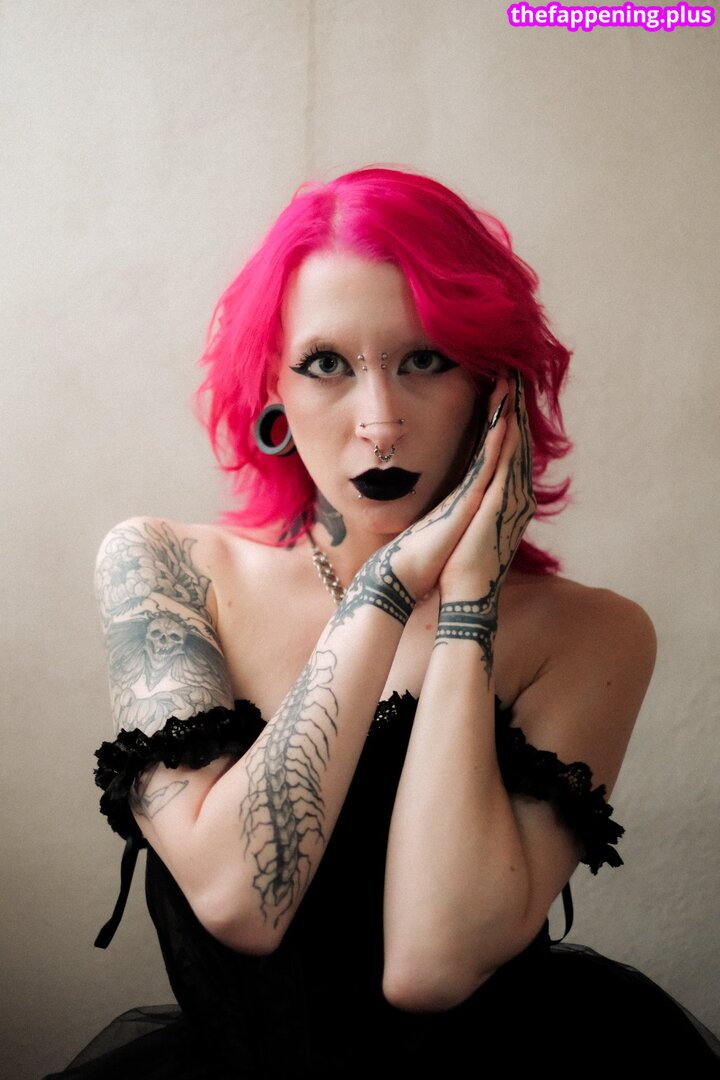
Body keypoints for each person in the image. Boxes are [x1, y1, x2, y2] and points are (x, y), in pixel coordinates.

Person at [48, 166, 719, 1077]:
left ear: (495, 388)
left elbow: (432, 967)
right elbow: (240, 899)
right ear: (273, 389)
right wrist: (386, 589)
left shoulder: (593, 636)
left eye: (425, 360)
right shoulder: (165, 570)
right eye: (327, 364)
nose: (380, 424)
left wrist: (468, 604)